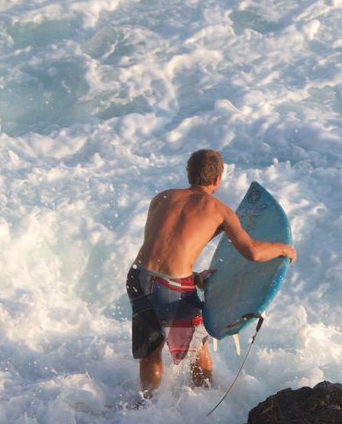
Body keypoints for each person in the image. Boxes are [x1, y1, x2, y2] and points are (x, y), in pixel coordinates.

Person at [126, 149, 296, 396]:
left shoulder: (162, 198)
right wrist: (284, 249)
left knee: (152, 350)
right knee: (200, 350)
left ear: (189, 173)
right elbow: (253, 253)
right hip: (171, 287)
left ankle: (145, 404)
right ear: (218, 179)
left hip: (138, 278)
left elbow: (161, 252)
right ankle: (205, 401)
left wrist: (194, 278)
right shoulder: (219, 211)